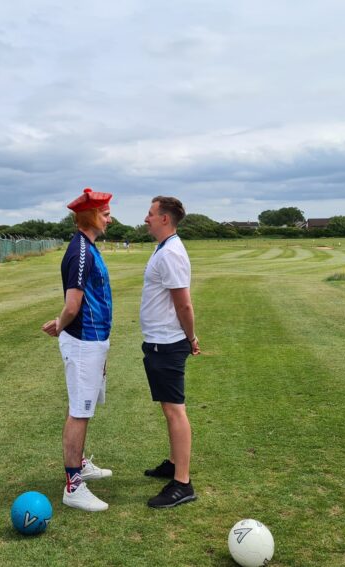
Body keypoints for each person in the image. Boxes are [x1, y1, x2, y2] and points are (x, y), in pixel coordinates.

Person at [42, 187, 115, 512]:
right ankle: (73, 483)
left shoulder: (88, 247)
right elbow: (73, 304)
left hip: (93, 341)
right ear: (90, 216)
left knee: (84, 407)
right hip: (84, 342)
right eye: (105, 213)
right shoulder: (81, 251)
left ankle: (80, 464)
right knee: (80, 410)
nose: (110, 218)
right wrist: (60, 323)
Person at [139, 196, 201, 508]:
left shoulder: (172, 253)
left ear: (165, 219)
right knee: (169, 408)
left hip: (168, 342)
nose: (146, 218)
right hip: (158, 341)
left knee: (175, 409)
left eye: (151, 214)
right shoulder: (163, 248)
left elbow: (184, 303)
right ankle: (175, 465)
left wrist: (190, 337)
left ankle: (182, 483)